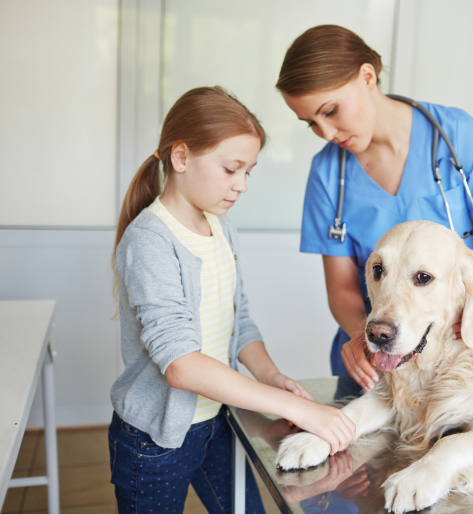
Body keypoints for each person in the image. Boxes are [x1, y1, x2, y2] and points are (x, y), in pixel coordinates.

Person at [109, 86, 355, 514]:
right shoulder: (150, 242)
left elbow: (237, 322)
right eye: (230, 169)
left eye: (248, 172)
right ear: (181, 157)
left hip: (218, 423)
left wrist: (271, 376)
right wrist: (297, 407)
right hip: (155, 441)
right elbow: (182, 365)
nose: (241, 185)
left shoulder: (222, 230)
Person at [276, 26, 473, 394]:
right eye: (311, 123)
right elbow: (342, 287)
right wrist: (358, 335)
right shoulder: (328, 173)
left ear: (367, 77)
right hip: (375, 355)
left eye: (330, 111)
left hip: (458, 351)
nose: (327, 132)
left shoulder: (459, 137)